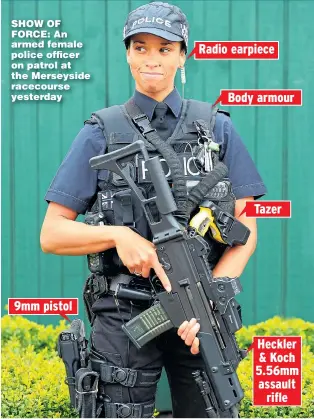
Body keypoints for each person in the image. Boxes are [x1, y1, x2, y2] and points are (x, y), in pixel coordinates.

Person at [41, 2, 267, 417]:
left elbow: (245, 230)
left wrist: (208, 304)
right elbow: (52, 233)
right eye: (141, 47)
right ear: (127, 53)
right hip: (123, 315)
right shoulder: (102, 131)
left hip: (201, 321)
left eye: (165, 49)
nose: (152, 59)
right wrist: (118, 235)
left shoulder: (217, 128)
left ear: (183, 55)